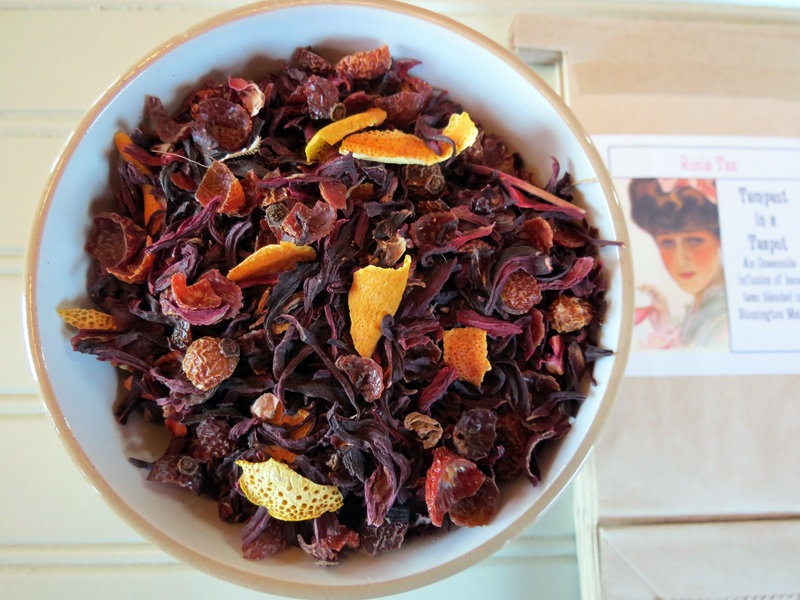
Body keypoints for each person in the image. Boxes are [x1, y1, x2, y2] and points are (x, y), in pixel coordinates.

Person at [629, 178, 729, 349]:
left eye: (695, 240)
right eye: (667, 243)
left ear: (718, 239)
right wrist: (664, 323)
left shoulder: (722, 320)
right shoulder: (700, 307)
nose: (680, 259)